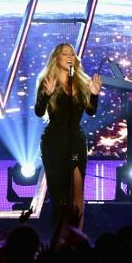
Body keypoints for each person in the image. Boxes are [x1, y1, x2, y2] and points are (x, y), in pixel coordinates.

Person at [34, 42, 101, 227]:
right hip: (54, 143)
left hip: (76, 140)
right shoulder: (47, 80)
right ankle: (60, 236)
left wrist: (94, 94)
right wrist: (46, 94)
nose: (70, 56)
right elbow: (39, 112)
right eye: (65, 53)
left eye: (72, 53)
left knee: (78, 190)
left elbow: (91, 111)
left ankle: (77, 235)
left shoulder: (81, 82)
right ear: (57, 58)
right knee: (59, 194)